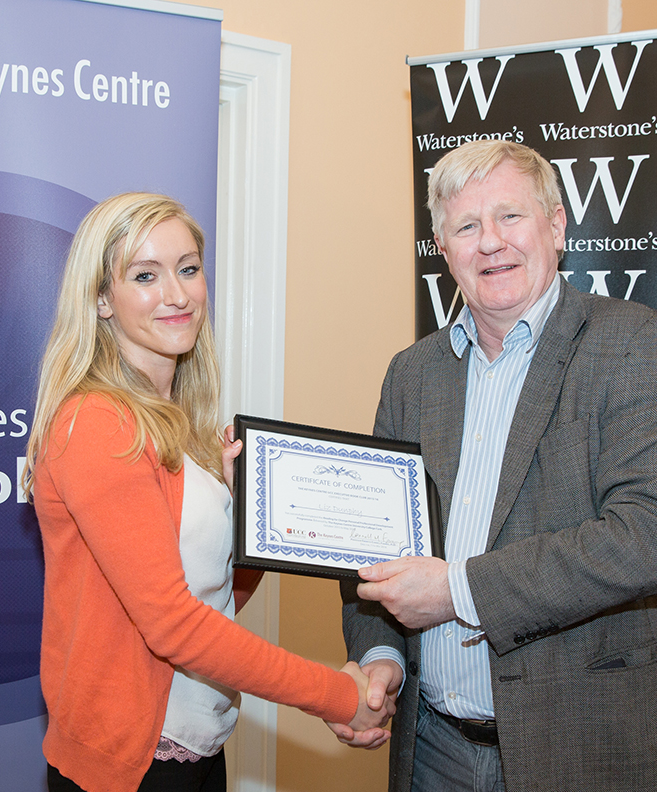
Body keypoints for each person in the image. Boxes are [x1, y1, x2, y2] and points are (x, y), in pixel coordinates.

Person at [335, 140, 657, 791]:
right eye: (466, 226)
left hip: (585, 751)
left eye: (510, 216)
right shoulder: (412, 374)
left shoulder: (636, 344)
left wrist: (458, 590)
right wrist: (380, 657)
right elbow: (374, 542)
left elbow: (655, 537)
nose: (490, 242)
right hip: (433, 749)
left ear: (555, 226)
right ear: (442, 248)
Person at [23, 193, 392, 792]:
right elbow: (173, 625)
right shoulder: (98, 424)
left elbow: (216, 596)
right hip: (135, 765)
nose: (177, 294)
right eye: (145, 276)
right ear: (101, 299)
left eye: (188, 269)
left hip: (197, 746)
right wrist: (335, 694)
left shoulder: (180, 424)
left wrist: (251, 514)